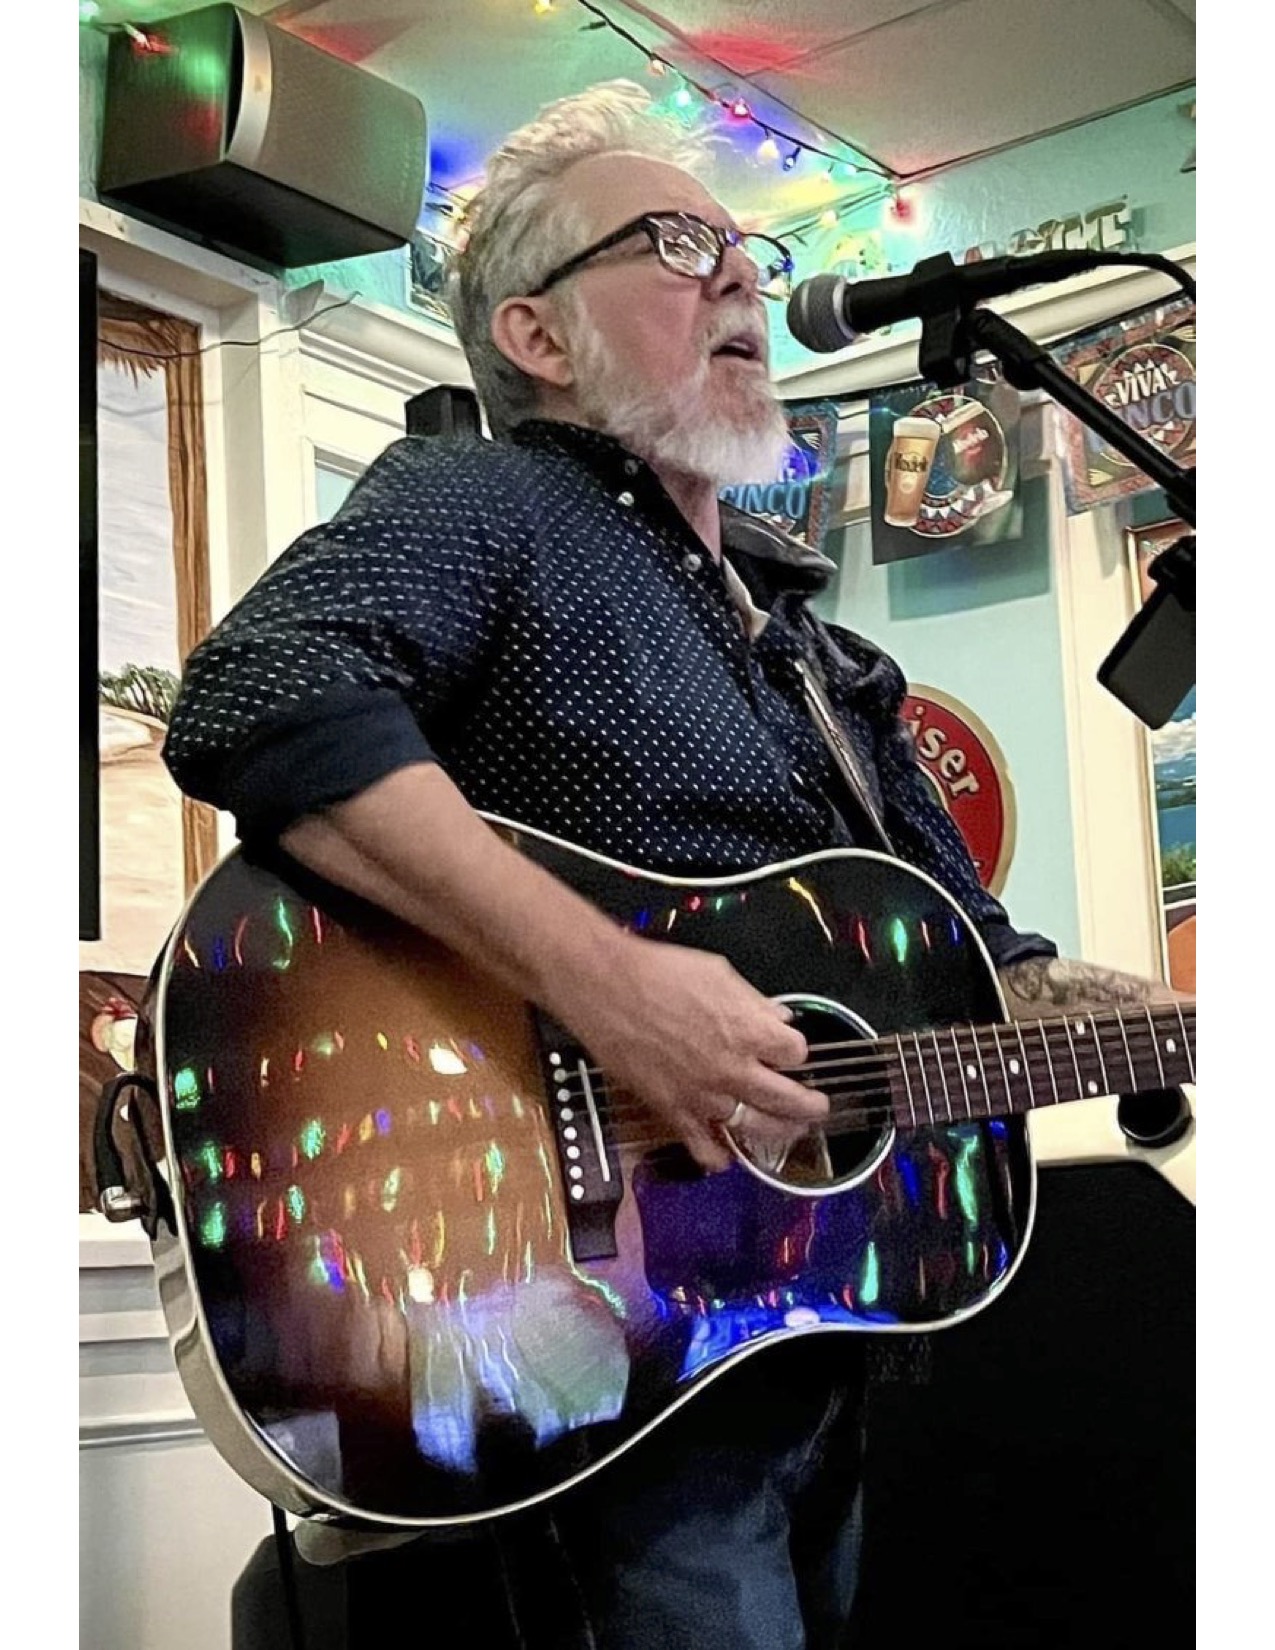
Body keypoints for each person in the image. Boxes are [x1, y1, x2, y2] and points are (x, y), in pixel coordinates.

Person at [163, 80, 1181, 1650]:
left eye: (745, 251)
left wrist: (1143, 1022)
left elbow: (985, 956)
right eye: (674, 243)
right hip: (590, 1325)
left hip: (800, 1342)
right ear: (536, 338)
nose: (741, 277)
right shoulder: (488, 501)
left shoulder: (818, 649)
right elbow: (264, 695)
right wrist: (616, 987)